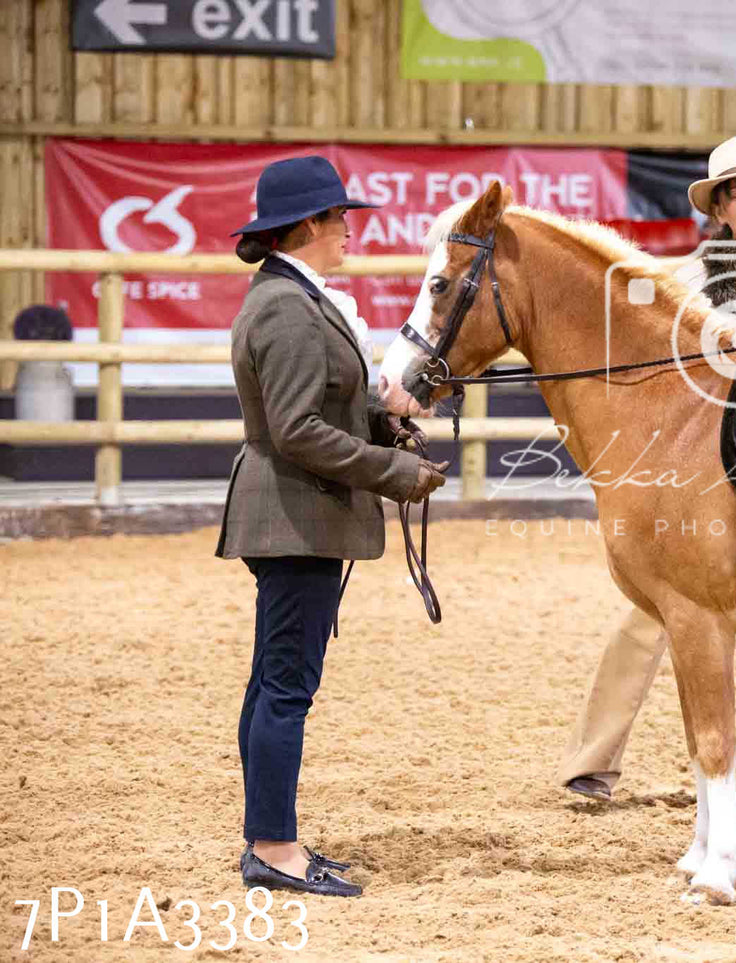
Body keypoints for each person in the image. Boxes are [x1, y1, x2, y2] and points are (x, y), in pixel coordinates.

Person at [556, 134, 736, 811]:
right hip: (701, 462)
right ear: (720, 208)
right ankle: (595, 756)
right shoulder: (687, 277)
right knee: (655, 609)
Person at [216, 155, 449, 896]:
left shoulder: (296, 297)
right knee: (286, 686)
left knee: (273, 681)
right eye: (340, 217)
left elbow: (319, 410)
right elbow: (295, 428)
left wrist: (385, 418)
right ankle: (274, 847)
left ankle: (269, 834)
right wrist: (395, 472)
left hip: (295, 510)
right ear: (309, 224)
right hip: (294, 511)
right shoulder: (286, 307)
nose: (349, 229)